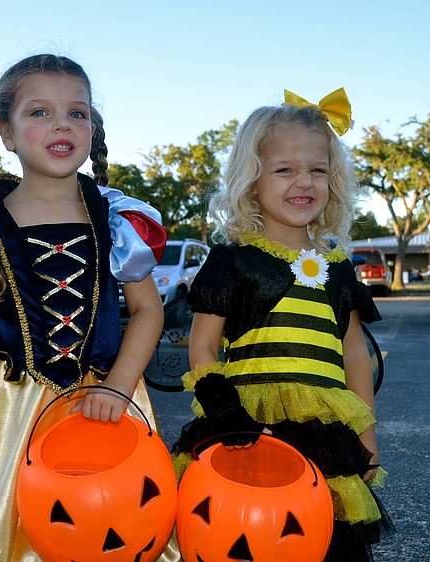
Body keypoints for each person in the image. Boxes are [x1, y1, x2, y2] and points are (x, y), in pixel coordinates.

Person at [0, 54, 179, 562]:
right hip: (17, 409)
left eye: (77, 113)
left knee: (113, 521)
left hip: (107, 399)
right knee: (21, 526)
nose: (62, 123)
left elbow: (148, 312)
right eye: (40, 112)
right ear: (6, 132)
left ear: (92, 129)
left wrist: (118, 386)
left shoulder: (116, 218)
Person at [171, 88, 391, 561]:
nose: (303, 182)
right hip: (245, 428)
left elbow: (354, 353)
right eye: (285, 170)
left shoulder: (339, 267)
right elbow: (203, 346)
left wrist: (366, 435)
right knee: (243, 536)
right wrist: (224, 412)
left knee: (320, 539)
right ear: (252, 180)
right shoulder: (234, 260)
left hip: (327, 433)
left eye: (317, 170)